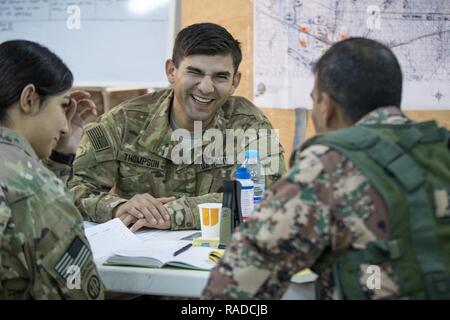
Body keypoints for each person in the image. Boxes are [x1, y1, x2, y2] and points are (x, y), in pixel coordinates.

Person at [202, 38, 450, 300]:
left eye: (313, 100)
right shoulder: (441, 147)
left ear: (326, 106)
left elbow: (229, 289)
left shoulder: (327, 164)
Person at [69, 22, 286, 232]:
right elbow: (75, 190)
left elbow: (270, 197)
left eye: (220, 77)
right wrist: (117, 208)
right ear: (171, 71)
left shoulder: (249, 124)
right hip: (139, 255)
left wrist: (171, 214)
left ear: (235, 82)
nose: (206, 87)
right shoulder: (123, 122)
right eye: (195, 73)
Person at [0, 40, 104, 299]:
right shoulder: (38, 191)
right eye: (63, 105)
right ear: (30, 98)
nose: (65, 126)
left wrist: (61, 155)